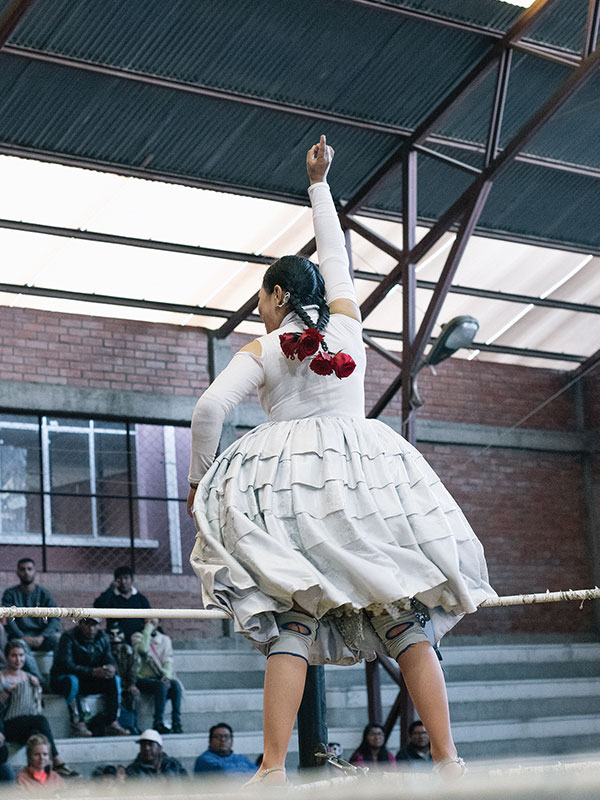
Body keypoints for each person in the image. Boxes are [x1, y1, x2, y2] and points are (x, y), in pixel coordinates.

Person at [187, 135, 496, 785]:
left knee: (294, 620)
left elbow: (209, 410)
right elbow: (337, 259)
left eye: (262, 298)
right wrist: (320, 184)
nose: (260, 308)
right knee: (401, 616)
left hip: (292, 487)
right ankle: (448, 759)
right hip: (370, 475)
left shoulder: (265, 349)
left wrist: (199, 483)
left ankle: (273, 766)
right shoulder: (347, 327)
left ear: (276, 295)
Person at [0, 640, 76, 777]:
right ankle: (57, 760)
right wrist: (4, 695)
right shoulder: (2, 677)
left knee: (35, 735)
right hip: (8, 724)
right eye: (14, 656)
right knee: (40, 720)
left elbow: (40, 705)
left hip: (27, 723)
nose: (18, 659)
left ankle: (39, 773)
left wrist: (38, 690)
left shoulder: (30, 678)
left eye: (21, 655)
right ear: (7, 657)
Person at [50, 618, 129, 737]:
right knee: (72, 681)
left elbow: (109, 658)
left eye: (94, 625)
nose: (91, 628)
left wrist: (111, 667)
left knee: (114, 679)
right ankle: (78, 723)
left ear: (98, 625)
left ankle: (112, 723)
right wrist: (92, 672)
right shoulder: (68, 637)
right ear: (80, 624)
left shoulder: (103, 637)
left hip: (89, 678)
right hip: (65, 679)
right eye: (87, 624)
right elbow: (66, 665)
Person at [131, 619, 182, 734]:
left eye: (153, 621)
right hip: (143, 678)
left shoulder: (165, 640)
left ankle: (176, 722)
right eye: (148, 621)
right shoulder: (137, 637)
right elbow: (143, 651)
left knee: (175, 686)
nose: (151, 624)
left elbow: (168, 659)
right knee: (161, 686)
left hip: (159, 677)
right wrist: (147, 630)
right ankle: (158, 722)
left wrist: (166, 675)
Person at [1, 558, 61, 653]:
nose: (26, 572)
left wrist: (43, 636)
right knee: (18, 646)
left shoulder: (44, 593)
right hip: (19, 637)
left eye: (29, 569)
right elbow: (7, 618)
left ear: (35, 572)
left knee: (58, 639)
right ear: (17, 573)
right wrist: (22, 636)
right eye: (22, 569)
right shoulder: (10, 594)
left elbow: (55, 618)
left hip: (41, 637)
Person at [94, 566, 151, 643]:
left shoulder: (140, 598)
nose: (123, 582)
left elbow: (149, 617)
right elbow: (98, 606)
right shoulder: (111, 597)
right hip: (115, 638)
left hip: (137, 638)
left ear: (132, 580)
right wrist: (110, 589)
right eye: (120, 579)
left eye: (126, 578)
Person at [108, 625, 140, 735]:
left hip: (126, 683)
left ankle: (133, 725)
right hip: (113, 684)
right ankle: (123, 725)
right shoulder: (107, 653)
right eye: (114, 644)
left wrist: (132, 684)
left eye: (118, 643)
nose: (116, 646)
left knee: (132, 696)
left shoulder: (128, 651)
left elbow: (132, 669)